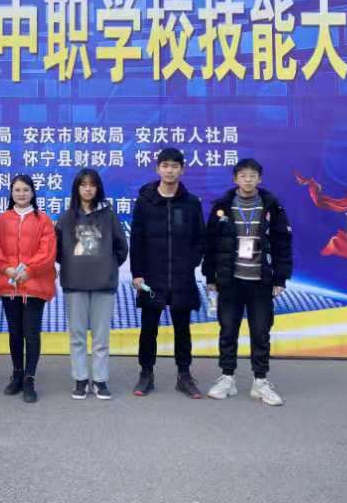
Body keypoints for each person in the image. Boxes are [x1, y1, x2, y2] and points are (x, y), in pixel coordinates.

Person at [203, 158, 292, 406]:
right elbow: (210, 243)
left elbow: (282, 243)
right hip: (230, 280)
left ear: (259, 179)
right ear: (235, 179)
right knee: (228, 330)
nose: (248, 179)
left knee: (261, 332)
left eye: (253, 175)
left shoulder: (272, 206)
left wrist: (280, 278)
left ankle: (260, 381)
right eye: (243, 175)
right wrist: (210, 276)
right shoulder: (222, 206)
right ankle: (227, 378)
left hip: (260, 281)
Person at [130, 147, 205, 399]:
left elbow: (200, 239)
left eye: (174, 166)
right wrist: (137, 273)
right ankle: (146, 374)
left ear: (182, 170)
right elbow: (137, 240)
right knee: (148, 328)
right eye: (165, 165)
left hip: (182, 276)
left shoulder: (191, 203)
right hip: (152, 276)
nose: (169, 170)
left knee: (182, 328)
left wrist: (190, 263)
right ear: (157, 169)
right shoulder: (145, 202)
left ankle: (184, 375)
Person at [55, 168, 128, 400]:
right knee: (77, 336)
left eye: (92, 184)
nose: (88, 189)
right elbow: (57, 251)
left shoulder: (109, 216)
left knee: (100, 337)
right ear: (77, 188)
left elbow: (121, 248)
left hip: (103, 284)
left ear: (98, 188)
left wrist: (107, 266)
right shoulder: (66, 218)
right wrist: (74, 265)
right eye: (83, 184)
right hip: (74, 283)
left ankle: (100, 380)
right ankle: (80, 379)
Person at [0, 175, 57, 403]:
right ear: (11, 193)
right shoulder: (2, 219)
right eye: (17, 190)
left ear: (33, 193)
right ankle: (17, 374)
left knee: (31, 334)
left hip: (34, 286)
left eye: (25, 190)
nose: (21, 194)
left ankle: (29, 379)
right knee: (15, 333)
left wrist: (29, 270)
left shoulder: (43, 220)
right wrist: (6, 269)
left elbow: (47, 252)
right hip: (9, 287)